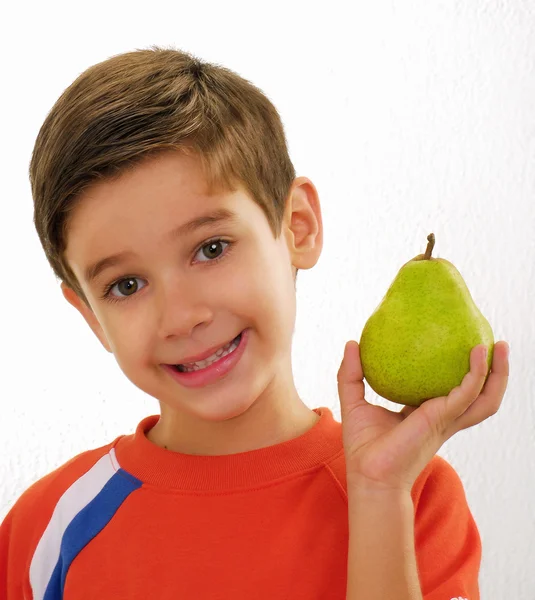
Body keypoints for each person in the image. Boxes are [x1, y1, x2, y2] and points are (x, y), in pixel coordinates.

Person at [0, 47, 509, 600]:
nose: (182, 316)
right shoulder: (47, 527)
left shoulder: (411, 496)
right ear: (90, 316)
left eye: (211, 248)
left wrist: (379, 494)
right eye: (126, 285)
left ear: (297, 227)